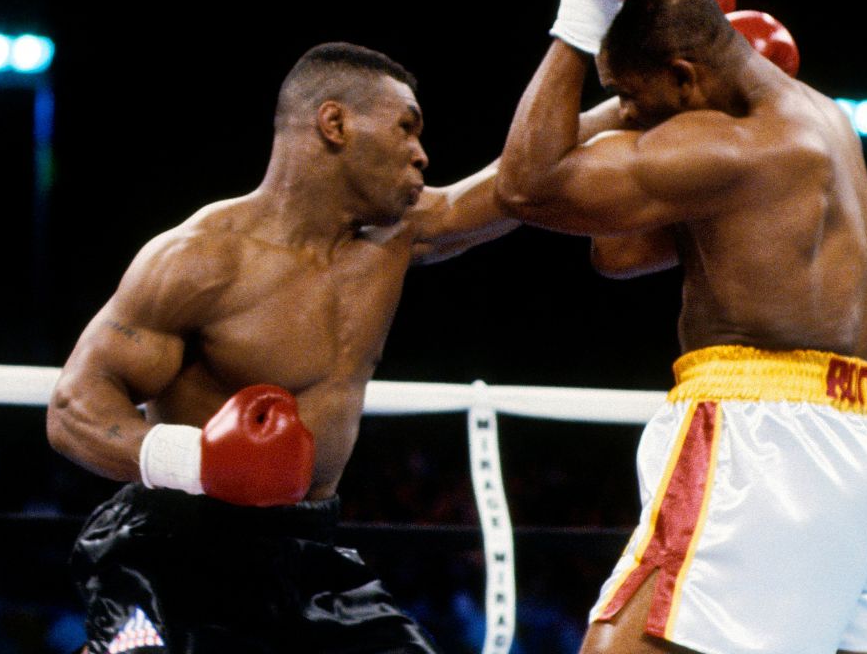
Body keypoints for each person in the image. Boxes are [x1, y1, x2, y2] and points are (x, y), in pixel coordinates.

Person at [494, 0, 867, 654]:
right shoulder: (826, 120)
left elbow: (523, 185)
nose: (625, 115)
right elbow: (616, 251)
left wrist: (581, 14)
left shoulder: (727, 150)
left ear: (683, 76)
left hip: (758, 439)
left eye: (629, 97)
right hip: (864, 446)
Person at [46, 42, 520, 654]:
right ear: (335, 123)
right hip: (169, 555)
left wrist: (594, 26)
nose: (422, 153)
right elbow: (73, 409)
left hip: (307, 559)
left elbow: (525, 182)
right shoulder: (201, 258)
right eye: (407, 127)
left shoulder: (398, 239)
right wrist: (203, 463)